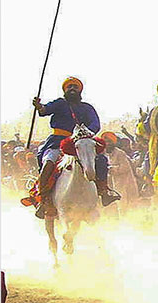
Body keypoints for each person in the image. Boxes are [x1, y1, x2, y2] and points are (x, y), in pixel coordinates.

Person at [29, 76, 121, 217]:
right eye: (69, 87)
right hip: (57, 142)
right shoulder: (60, 103)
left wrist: (84, 133)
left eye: (75, 87)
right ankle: (43, 199)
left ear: (79, 91)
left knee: (101, 160)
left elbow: (95, 124)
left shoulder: (87, 108)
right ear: (65, 90)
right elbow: (44, 110)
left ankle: (103, 191)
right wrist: (39, 106)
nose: (72, 89)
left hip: (81, 141)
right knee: (48, 162)